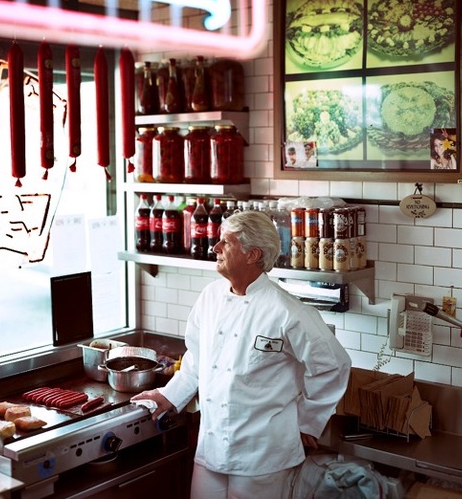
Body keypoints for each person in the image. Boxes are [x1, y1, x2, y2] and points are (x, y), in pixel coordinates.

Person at [131, 211, 352, 499]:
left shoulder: (287, 311)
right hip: (211, 448)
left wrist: (308, 422)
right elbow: (196, 360)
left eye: (226, 242)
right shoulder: (210, 297)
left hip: (264, 457)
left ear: (252, 254)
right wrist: (169, 395)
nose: (215, 248)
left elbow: (333, 366)